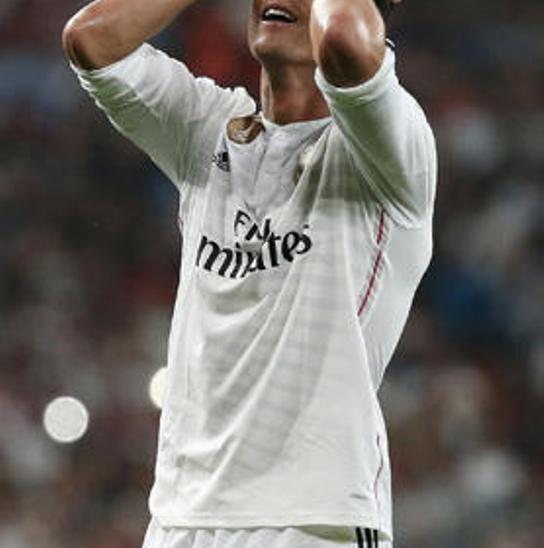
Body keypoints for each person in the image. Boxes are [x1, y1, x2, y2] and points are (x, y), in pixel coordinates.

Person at [63, 0, 435, 546]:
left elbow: (347, 45)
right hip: (180, 516)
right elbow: (92, 40)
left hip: (312, 517)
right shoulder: (207, 128)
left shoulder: (390, 148)